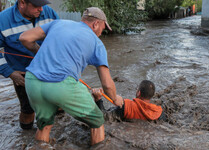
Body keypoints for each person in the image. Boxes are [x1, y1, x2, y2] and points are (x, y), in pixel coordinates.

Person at [19, 7, 123, 145]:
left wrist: (39, 52)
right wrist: (115, 99)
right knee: (97, 120)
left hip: (32, 81)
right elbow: (107, 84)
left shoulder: (58, 23)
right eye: (102, 29)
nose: (100, 33)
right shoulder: (97, 43)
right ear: (96, 24)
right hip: (61, 85)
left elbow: (25, 38)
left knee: (44, 126)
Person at [0, 0, 59, 130]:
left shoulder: (49, 13)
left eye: (43, 5)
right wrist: (10, 72)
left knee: (59, 102)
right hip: (22, 74)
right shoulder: (2, 20)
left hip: (50, 69)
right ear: (22, 3)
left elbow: (60, 37)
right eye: (37, 6)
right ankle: (26, 136)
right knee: (28, 111)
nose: (42, 9)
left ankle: (57, 126)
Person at [92, 80, 166, 122]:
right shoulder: (159, 112)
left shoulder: (127, 107)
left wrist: (98, 99)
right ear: (151, 95)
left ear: (138, 93)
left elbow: (103, 118)